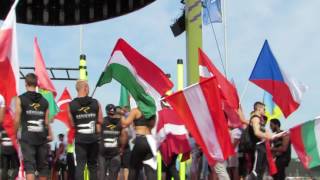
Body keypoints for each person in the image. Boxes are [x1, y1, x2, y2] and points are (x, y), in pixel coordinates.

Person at [14, 73, 53, 180]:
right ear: (36, 84)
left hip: (27, 138)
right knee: (43, 167)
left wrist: (14, 134)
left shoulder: (20, 99)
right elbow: (46, 122)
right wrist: (50, 134)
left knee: (29, 166)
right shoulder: (45, 101)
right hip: (41, 137)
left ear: (26, 83)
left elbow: (17, 119)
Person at [67, 80, 103, 180]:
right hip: (93, 139)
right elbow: (100, 120)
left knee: (80, 166)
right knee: (93, 166)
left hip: (80, 140)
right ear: (86, 88)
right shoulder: (96, 103)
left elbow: (72, 124)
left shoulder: (70, 105)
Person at [120, 108, 157, 180]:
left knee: (133, 168)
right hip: (150, 140)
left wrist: (122, 115)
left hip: (140, 139)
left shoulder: (136, 111)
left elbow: (124, 124)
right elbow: (152, 126)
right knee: (150, 169)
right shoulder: (152, 111)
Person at [98, 104, 128, 180]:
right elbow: (124, 135)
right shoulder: (120, 122)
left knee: (102, 174)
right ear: (114, 111)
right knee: (113, 175)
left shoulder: (103, 121)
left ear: (106, 111)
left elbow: (97, 131)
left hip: (102, 151)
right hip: (115, 151)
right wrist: (122, 148)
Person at [246, 102, 273, 180]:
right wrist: (268, 136)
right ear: (259, 109)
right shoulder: (255, 118)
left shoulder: (260, 119)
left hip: (262, 147)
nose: (265, 111)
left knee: (260, 172)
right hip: (257, 147)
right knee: (255, 172)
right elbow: (256, 132)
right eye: (264, 109)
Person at [0, 93, 20, 180]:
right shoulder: (14, 122)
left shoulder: (1, 122)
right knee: (16, 167)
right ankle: (12, 178)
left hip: (4, 148)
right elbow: (18, 135)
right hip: (12, 148)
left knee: (5, 168)